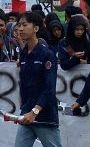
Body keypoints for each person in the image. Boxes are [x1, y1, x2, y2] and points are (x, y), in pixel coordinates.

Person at [11, 12, 60, 147]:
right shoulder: (24, 54)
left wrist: (35, 111)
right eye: (19, 25)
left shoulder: (47, 55)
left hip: (44, 117)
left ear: (36, 28)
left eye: (25, 25)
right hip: (26, 114)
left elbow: (49, 88)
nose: (20, 29)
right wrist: (25, 110)